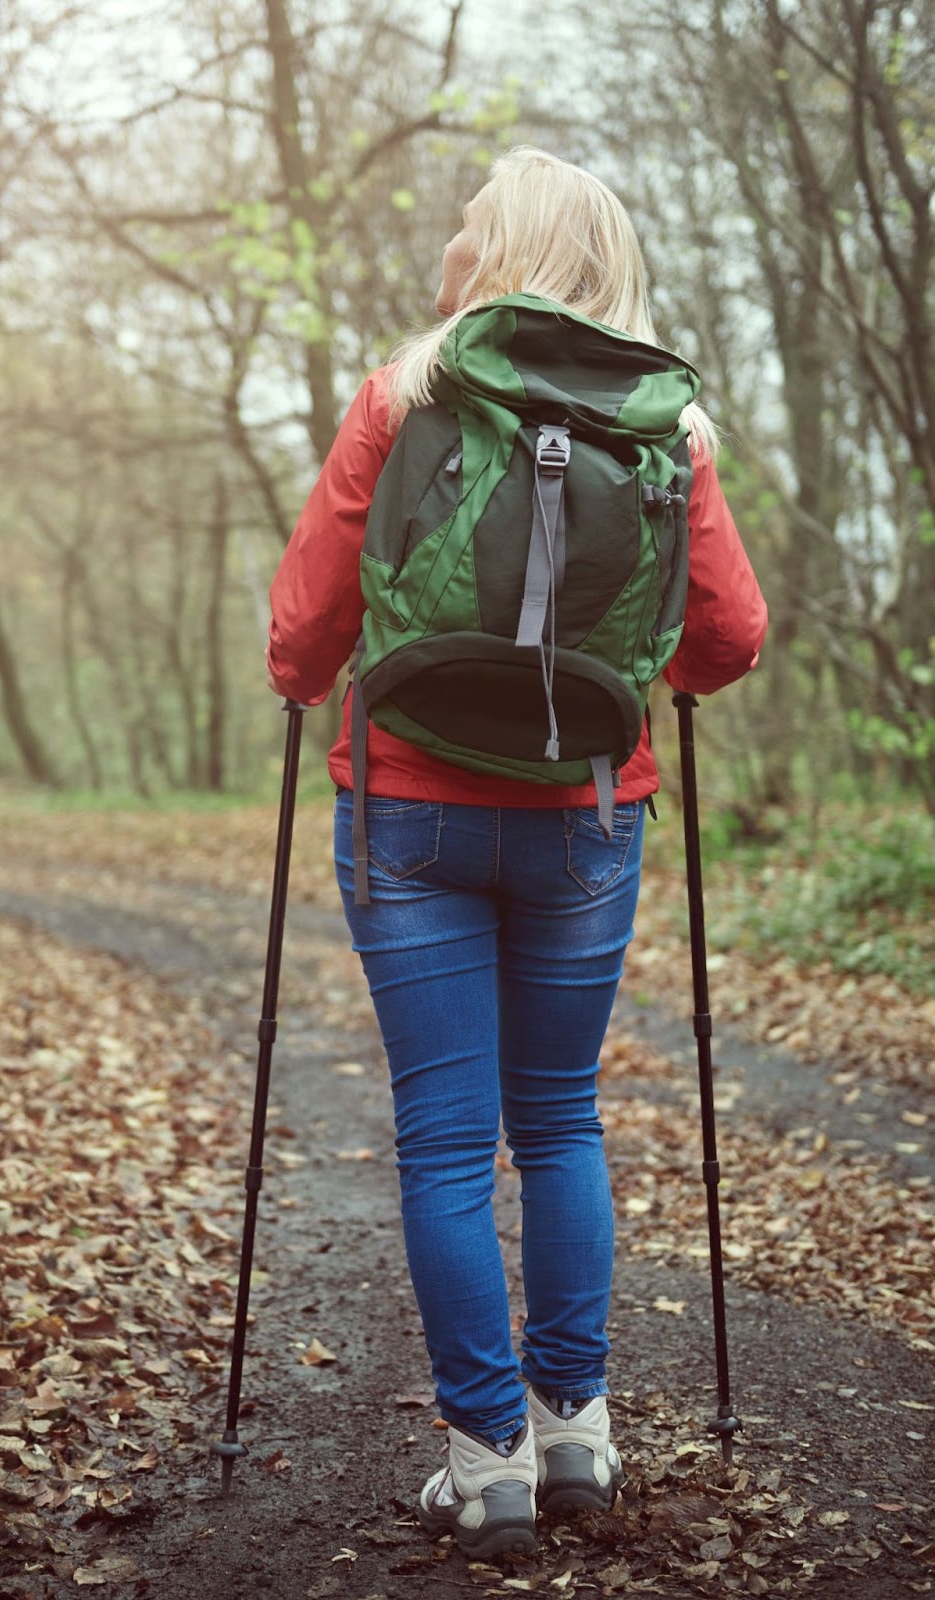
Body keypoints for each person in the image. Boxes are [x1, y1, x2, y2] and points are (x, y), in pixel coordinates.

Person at [266, 146, 767, 1560]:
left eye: (466, 228)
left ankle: (485, 1460)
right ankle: (579, 1433)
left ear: (500, 255)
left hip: (411, 810)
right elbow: (729, 641)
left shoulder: (402, 396)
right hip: (586, 816)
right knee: (557, 1123)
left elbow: (305, 636)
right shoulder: (671, 430)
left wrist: (297, 679)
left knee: (443, 1139)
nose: (447, 248)